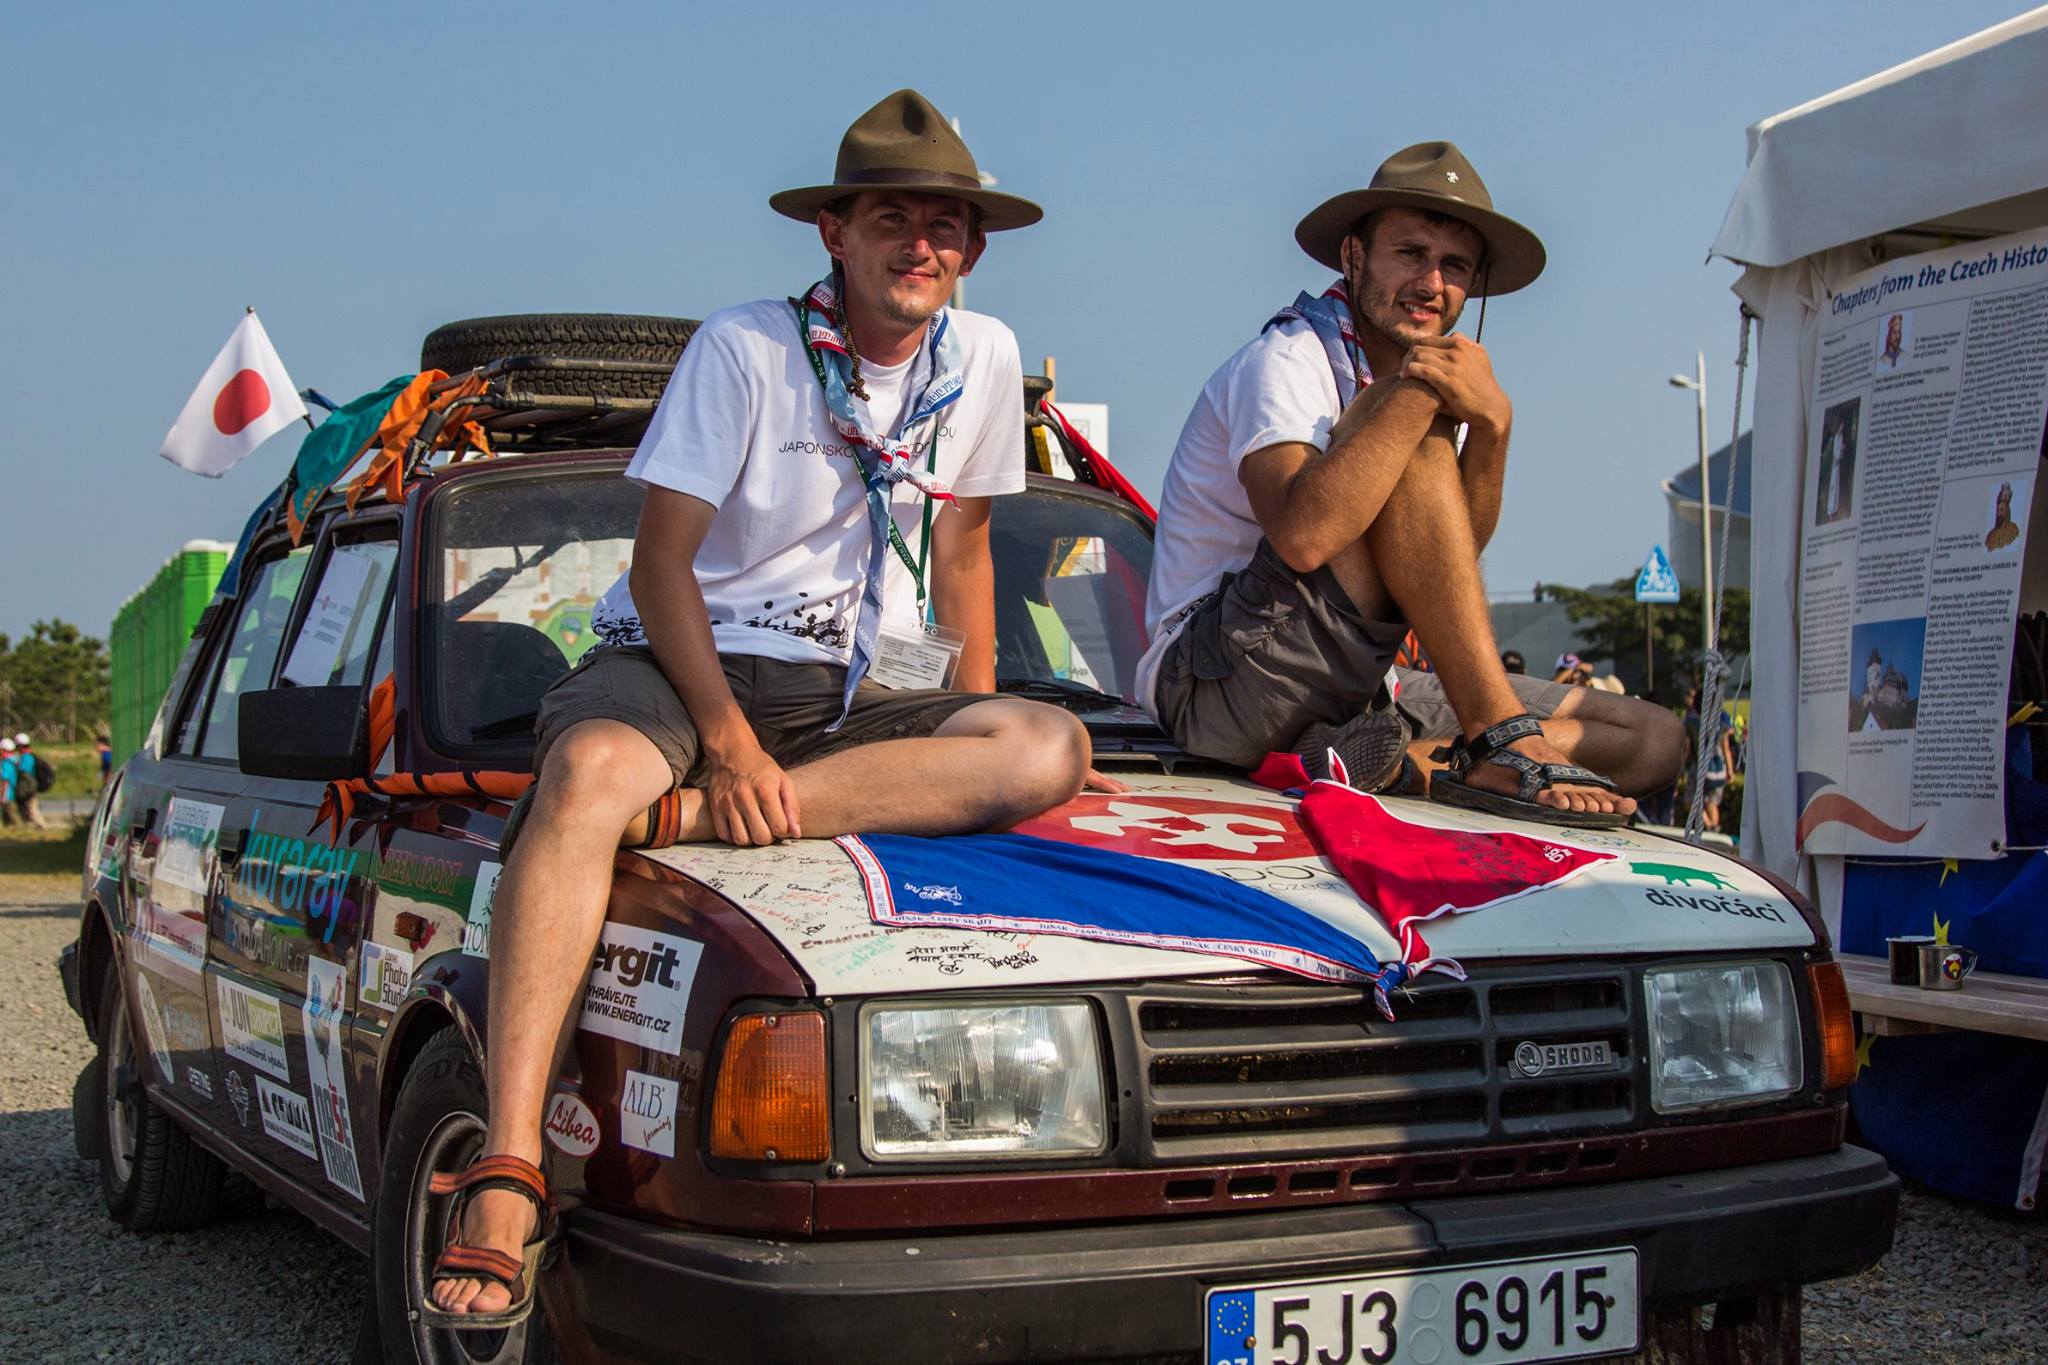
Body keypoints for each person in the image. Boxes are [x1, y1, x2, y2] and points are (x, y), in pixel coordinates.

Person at [426, 91, 1098, 1327]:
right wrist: (727, 745)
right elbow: (657, 565)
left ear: (974, 248)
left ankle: (680, 817)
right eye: (890, 218)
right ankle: (509, 1162)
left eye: (944, 224)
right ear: (833, 234)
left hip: (859, 691)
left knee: (1047, 746)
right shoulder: (746, 346)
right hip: (694, 663)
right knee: (579, 787)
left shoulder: (988, 355)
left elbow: (963, 554)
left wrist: (975, 741)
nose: (919, 245)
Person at [1138, 142, 1681, 826]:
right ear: (1353, 257)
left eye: (1453, 265)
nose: (1431, 282)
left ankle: (1393, 763)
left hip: (1356, 680)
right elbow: (1303, 537)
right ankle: (1497, 740)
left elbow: (1439, 563)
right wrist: (1419, 391)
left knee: (1655, 741)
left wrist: (1493, 428)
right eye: (1410, 253)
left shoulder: (1419, 394)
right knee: (1406, 439)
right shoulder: (1285, 360)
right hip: (1213, 685)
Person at [12, 734, 47, 828]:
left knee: (32, 809)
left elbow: (24, 775)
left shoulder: (26, 758)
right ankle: (33, 828)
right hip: (30, 787)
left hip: (28, 788)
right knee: (29, 809)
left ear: (20, 746)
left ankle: (42, 827)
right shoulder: (28, 756)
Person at [1986, 481, 2020, 552]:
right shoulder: (1990, 535)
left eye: (2001, 510)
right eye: (1997, 510)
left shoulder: (2013, 529)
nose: (1999, 514)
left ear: (2007, 511)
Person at [0, 740, 15, 828]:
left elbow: (5, 781)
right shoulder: (14, 760)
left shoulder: (7, 763)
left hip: (7, 796)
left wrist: (2, 796)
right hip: (9, 795)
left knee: (11, 820)